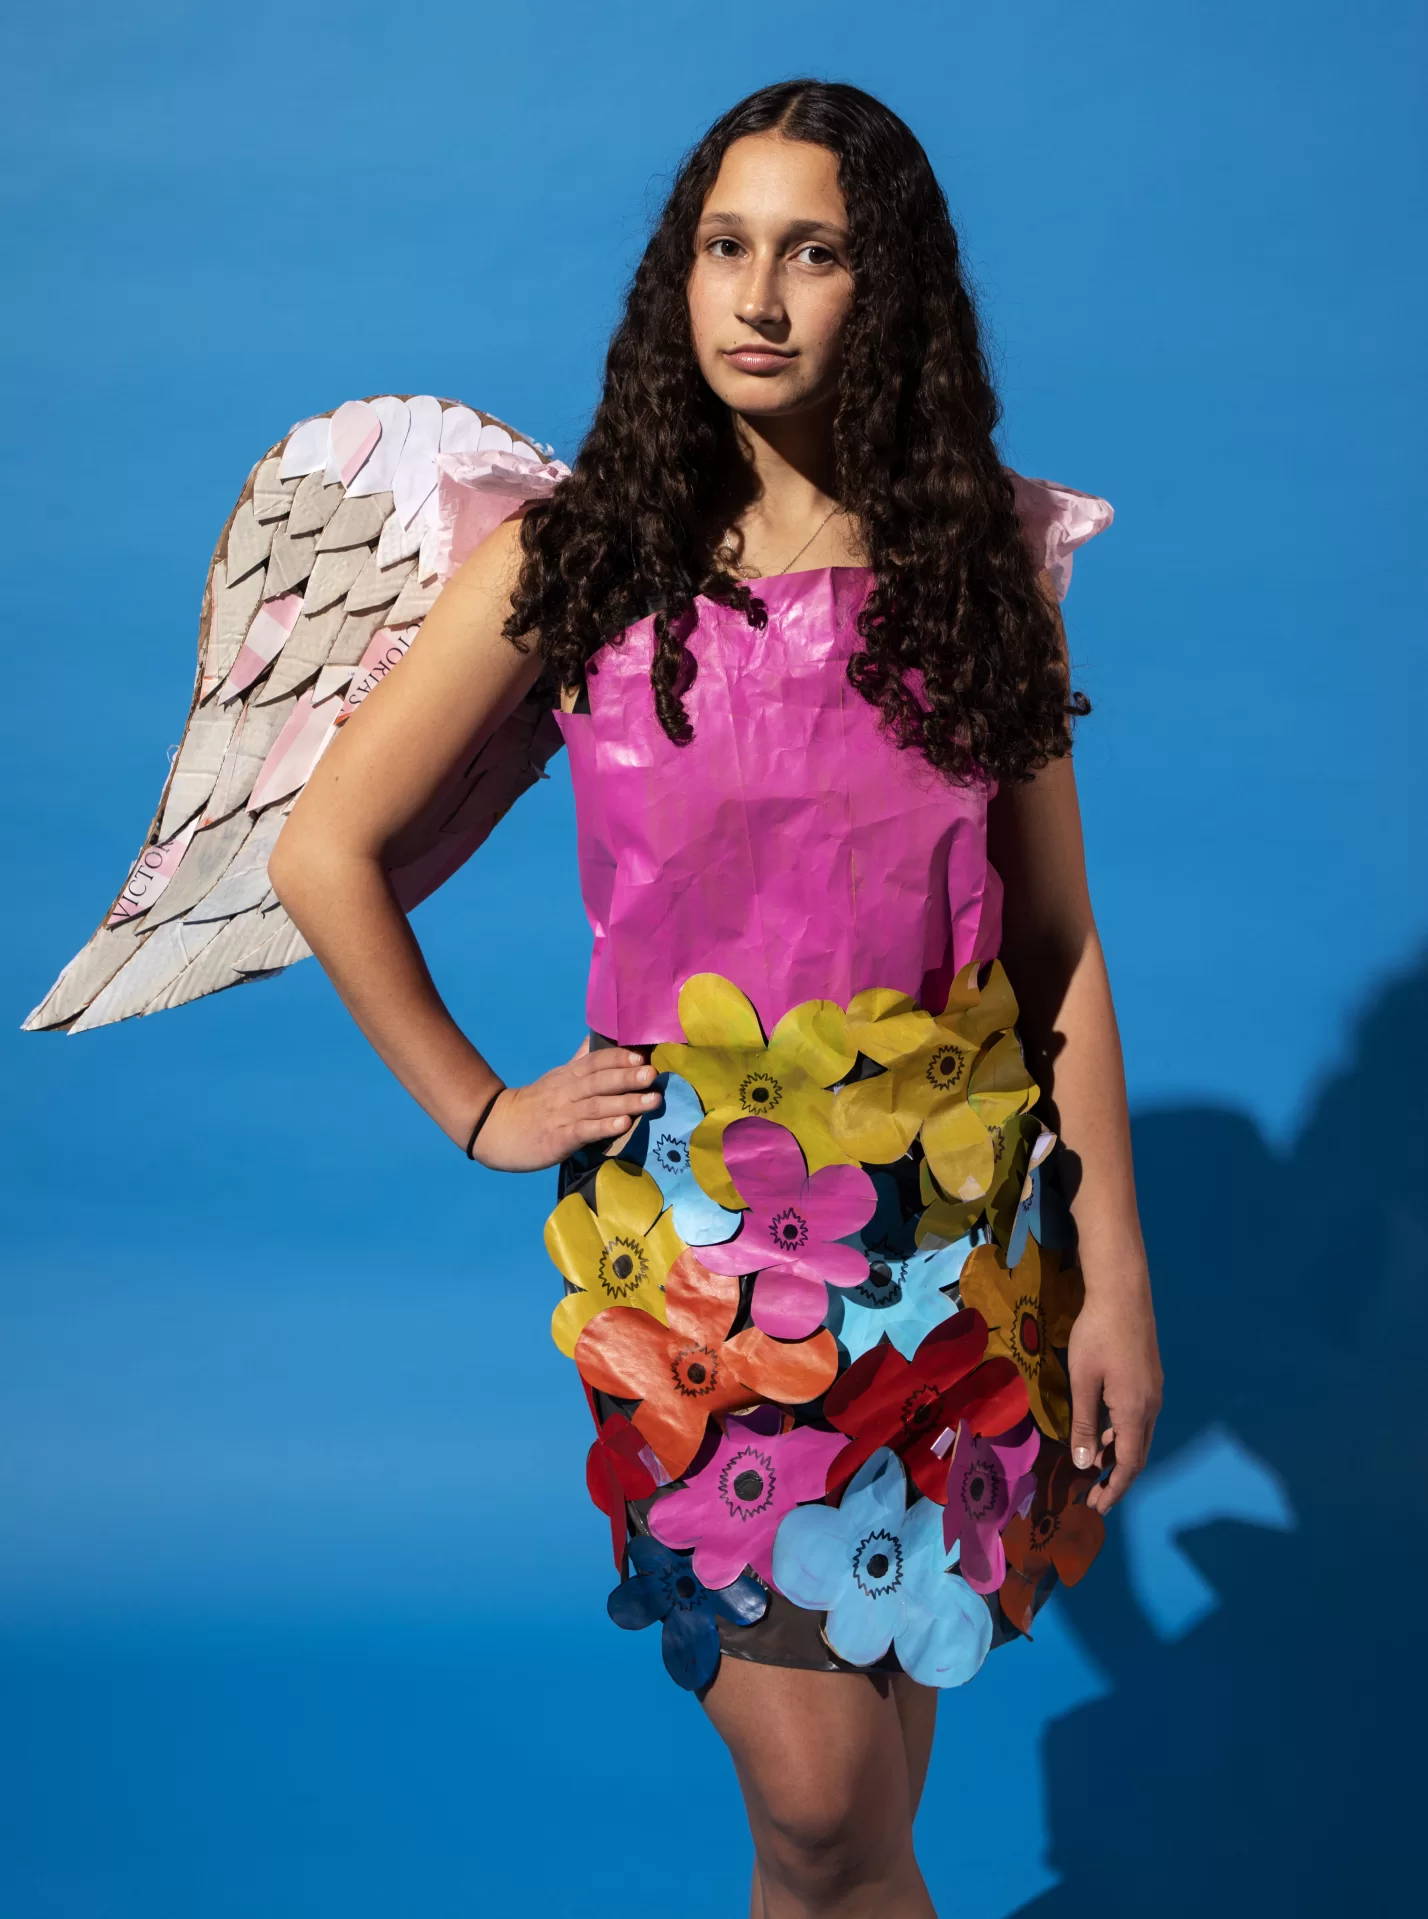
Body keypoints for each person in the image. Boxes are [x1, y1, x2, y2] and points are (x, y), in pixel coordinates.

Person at [268, 79, 1163, 1919]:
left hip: (957, 1253)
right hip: (708, 1278)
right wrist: (484, 1104)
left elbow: (1057, 949)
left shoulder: (981, 567)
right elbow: (321, 848)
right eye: (724, 247)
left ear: (883, 289)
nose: (758, 296)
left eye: (813, 252)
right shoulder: (583, 560)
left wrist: (1120, 1280)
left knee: (868, 1820)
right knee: (827, 1810)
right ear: (678, 278)